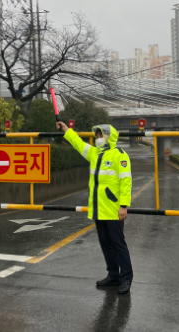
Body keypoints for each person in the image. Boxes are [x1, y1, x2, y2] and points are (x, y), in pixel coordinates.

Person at [57, 121, 133, 295]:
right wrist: (67, 131)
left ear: (109, 136)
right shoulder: (94, 154)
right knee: (106, 243)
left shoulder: (119, 155)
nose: (98, 138)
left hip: (114, 209)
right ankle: (113, 275)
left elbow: (126, 182)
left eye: (101, 135)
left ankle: (126, 278)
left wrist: (123, 206)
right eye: (97, 135)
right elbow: (78, 144)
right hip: (99, 209)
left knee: (119, 244)